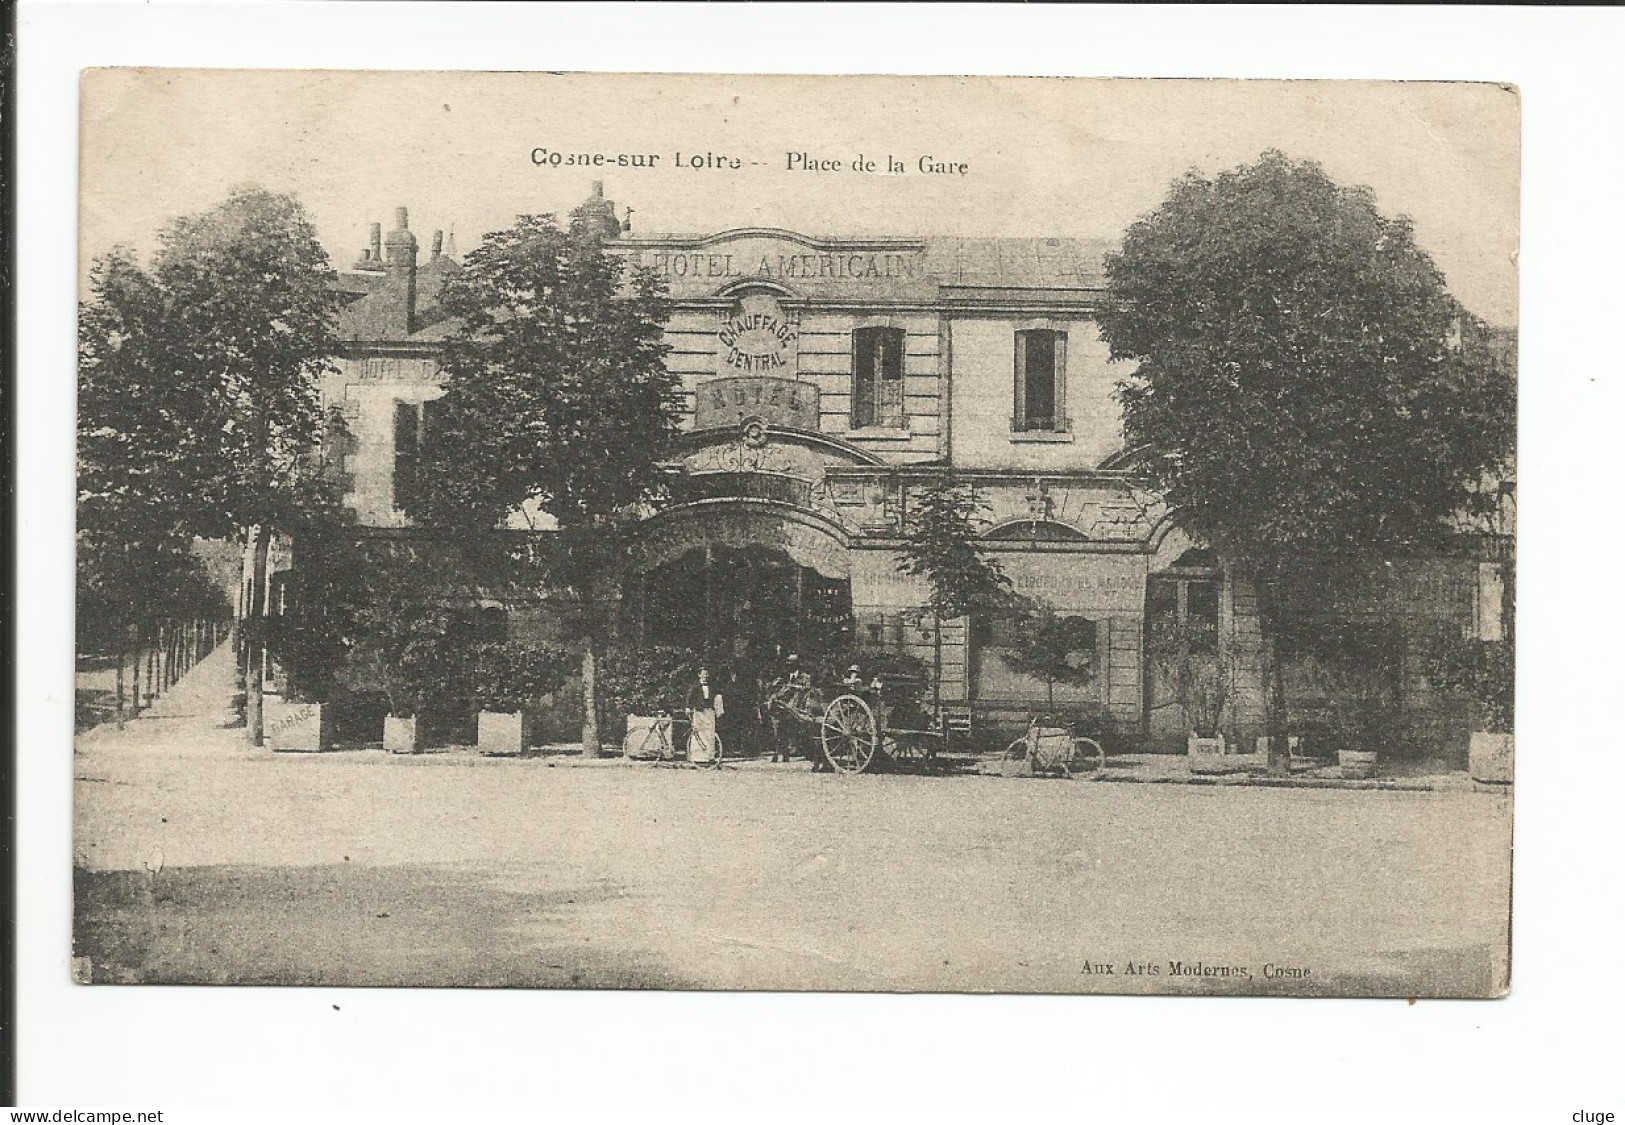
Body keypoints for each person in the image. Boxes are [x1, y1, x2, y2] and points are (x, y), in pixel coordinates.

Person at [685, 666, 723, 764]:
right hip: (699, 712)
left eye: (706, 674)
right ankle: (697, 757)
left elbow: (717, 696)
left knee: (710, 733)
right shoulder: (695, 686)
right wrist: (688, 707)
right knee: (698, 732)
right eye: (703, 674)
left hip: (709, 711)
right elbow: (689, 697)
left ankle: (710, 756)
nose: (705, 676)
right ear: (699, 675)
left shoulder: (712, 686)